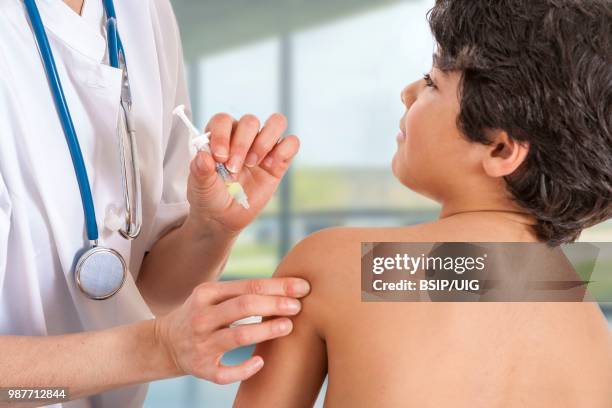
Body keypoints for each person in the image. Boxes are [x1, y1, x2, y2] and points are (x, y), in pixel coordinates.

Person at [234, 0, 612, 406]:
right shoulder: (586, 316)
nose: (408, 93)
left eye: (433, 82)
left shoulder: (339, 265)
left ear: (501, 150)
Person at [0, 0, 310, 406]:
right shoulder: (342, 261)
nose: (407, 93)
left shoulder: (142, 10)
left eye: (427, 81)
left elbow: (147, 294)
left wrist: (211, 228)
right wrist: (155, 349)